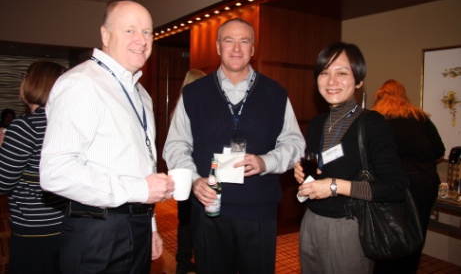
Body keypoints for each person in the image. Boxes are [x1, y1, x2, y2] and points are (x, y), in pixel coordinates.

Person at [40, 0, 175, 274]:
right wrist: (139, 190)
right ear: (105, 35)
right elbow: (56, 172)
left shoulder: (140, 94)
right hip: (98, 232)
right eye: (130, 30)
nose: (141, 40)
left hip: (134, 226)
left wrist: (149, 227)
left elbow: (141, 166)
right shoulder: (81, 84)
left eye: (148, 32)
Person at [163, 18, 305, 274]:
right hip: (208, 212)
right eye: (229, 40)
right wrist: (194, 180)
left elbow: (294, 142)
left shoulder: (276, 94)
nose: (236, 48)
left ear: (253, 49)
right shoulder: (193, 94)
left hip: (259, 212)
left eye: (244, 41)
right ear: (218, 47)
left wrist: (266, 162)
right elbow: (175, 145)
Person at [294, 42, 407, 274]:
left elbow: (395, 187)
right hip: (311, 221)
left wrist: (335, 186)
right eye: (324, 73)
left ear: (358, 80)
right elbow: (321, 168)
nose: (331, 81)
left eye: (342, 73)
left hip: (349, 227)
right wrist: (303, 174)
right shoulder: (316, 124)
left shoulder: (372, 124)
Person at [0, 61, 67, 273]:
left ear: (35, 83)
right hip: (66, 223)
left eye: (24, 76)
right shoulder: (66, 124)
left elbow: (2, 183)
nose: (21, 81)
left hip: (33, 228)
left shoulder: (24, 126)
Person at [372, 79, 445, 274]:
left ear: (380, 96)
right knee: (417, 232)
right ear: (403, 95)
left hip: (394, 183)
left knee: (388, 230)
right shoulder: (420, 117)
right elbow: (439, 149)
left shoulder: (378, 118)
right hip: (424, 183)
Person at [170, 69, 206, 274]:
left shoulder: (178, 109)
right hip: (194, 175)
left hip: (183, 176)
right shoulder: (195, 110)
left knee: (185, 221)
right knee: (195, 222)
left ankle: (182, 263)